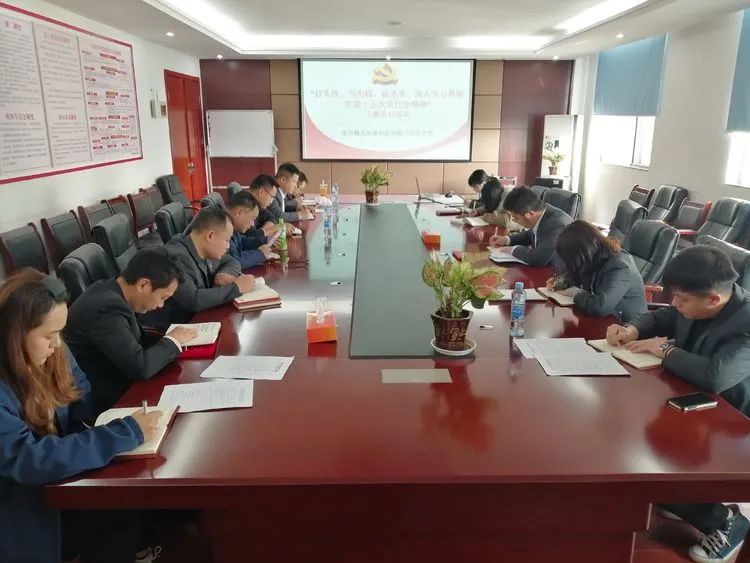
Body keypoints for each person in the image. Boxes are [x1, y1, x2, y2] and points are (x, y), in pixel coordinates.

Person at [0, 270, 161, 563]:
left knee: (129, 503)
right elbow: (29, 458)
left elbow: (81, 394)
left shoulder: (54, 352)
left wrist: (93, 428)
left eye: (60, 333)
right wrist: (123, 433)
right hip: (21, 508)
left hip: (57, 482)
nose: (57, 345)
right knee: (117, 514)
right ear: (15, 333)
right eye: (48, 335)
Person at [606, 245, 750, 563]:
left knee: (657, 462)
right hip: (691, 398)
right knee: (633, 439)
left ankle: (725, 521)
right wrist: (633, 329)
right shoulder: (695, 304)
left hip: (734, 419)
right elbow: (666, 316)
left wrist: (665, 351)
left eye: (682, 299)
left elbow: (716, 376)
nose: (675, 303)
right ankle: (679, 497)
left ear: (713, 299)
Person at [65, 247, 199, 415]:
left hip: (121, 379)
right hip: (107, 402)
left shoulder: (111, 290)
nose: (161, 305)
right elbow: (140, 367)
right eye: (163, 298)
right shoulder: (107, 310)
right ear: (143, 285)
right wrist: (173, 341)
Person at [139, 207, 256, 331]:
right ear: (210, 236)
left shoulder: (203, 248)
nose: (228, 246)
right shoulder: (176, 257)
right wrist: (236, 288)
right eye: (226, 240)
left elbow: (231, 261)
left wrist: (223, 273)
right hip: (169, 330)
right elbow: (193, 300)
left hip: (198, 321)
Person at [546, 220, 647, 323]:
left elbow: (600, 307)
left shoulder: (619, 266)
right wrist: (560, 281)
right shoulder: (594, 256)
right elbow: (579, 272)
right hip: (605, 321)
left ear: (582, 252)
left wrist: (575, 294)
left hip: (628, 326)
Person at [488, 185, 572, 266]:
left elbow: (539, 258)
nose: (514, 221)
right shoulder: (543, 213)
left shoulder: (557, 224)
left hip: (557, 271)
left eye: (516, 218)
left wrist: (512, 250)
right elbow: (530, 234)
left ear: (530, 214)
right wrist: (506, 240)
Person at [226, 190, 273, 269]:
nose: (252, 224)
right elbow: (233, 261)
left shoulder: (232, 225)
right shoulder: (220, 226)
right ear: (240, 212)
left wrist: (266, 240)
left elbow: (241, 241)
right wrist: (260, 254)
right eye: (252, 218)